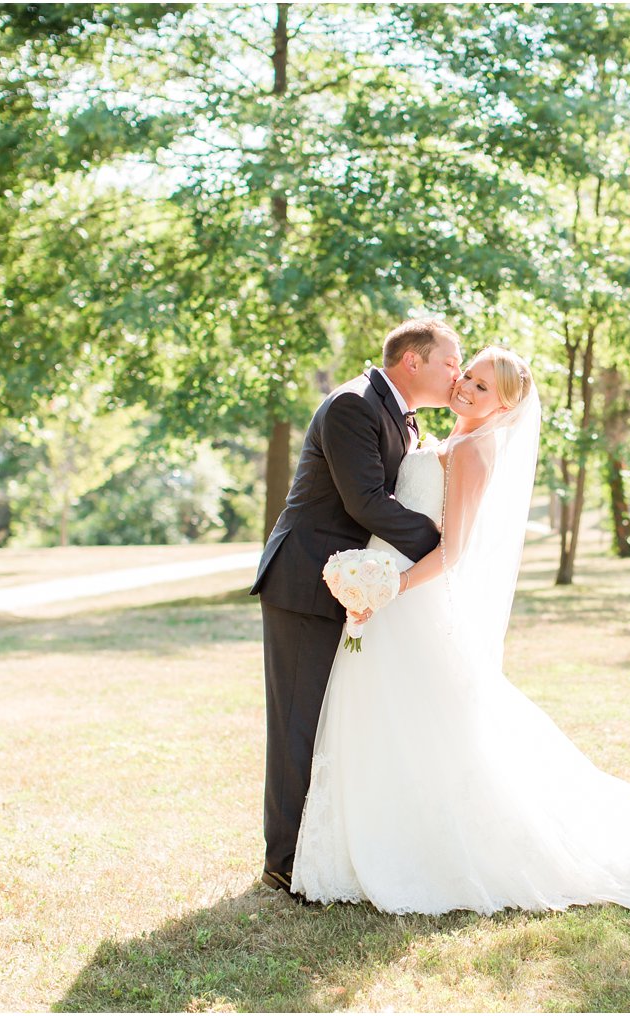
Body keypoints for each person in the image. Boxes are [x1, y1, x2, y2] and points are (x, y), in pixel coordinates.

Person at [292, 346, 630, 914]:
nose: (467, 389)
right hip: (381, 598)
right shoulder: (438, 440)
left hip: (410, 598)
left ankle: (424, 851)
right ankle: (363, 847)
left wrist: (390, 588)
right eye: (467, 376)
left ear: (504, 405)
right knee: (380, 719)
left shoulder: (475, 450)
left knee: (428, 728)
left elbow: (454, 552)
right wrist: (370, 585)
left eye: (482, 388)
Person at [251, 318, 462, 896]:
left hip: (354, 586)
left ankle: (327, 849)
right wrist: (446, 551)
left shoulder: (400, 415)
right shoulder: (353, 406)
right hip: (304, 584)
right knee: (298, 722)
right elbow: (367, 501)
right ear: (413, 362)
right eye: (450, 361)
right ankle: (286, 863)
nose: (458, 373)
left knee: (336, 721)